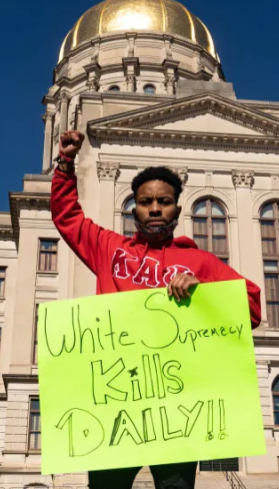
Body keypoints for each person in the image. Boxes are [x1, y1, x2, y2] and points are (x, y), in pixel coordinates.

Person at [51, 130, 262, 489]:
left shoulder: (201, 262)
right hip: (116, 405)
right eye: (145, 201)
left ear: (177, 209)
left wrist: (203, 291)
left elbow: (252, 308)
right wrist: (65, 163)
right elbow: (67, 217)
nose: (154, 209)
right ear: (134, 208)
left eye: (163, 201)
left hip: (177, 410)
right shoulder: (109, 249)